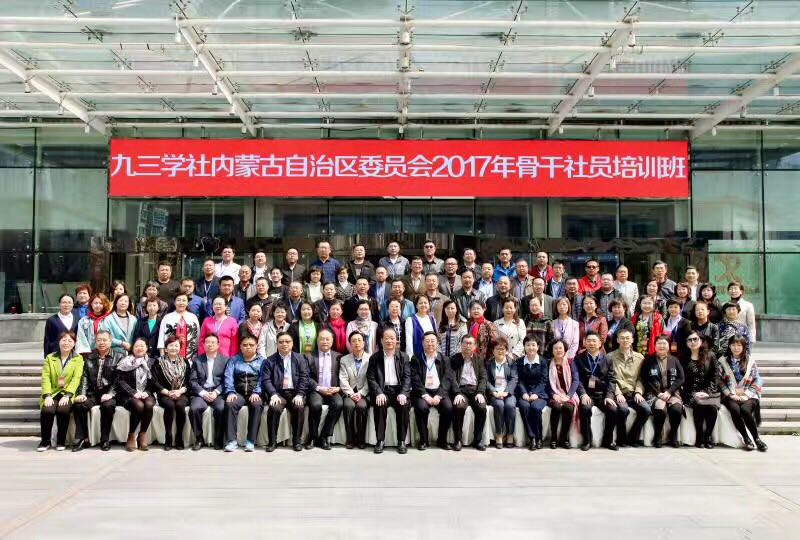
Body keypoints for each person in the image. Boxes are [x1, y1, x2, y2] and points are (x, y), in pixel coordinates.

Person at [72, 330, 120, 451]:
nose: (101, 342)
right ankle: (83, 438)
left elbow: (119, 379)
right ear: (95, 341)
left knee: (108, 406)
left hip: (109, 393)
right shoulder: (88, 357)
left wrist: (111, 394)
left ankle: (105, 439)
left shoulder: (119, 357)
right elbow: (84, 377)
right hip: (92, 393)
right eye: (99, 340)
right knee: (79, 405)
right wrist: (82, 394)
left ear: (110, 342)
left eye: (104, 340)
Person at [718, 335, 767, 452]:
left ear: (744, 346)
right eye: (733, 345)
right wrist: (730, 394)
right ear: (729, 346)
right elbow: (718, 380)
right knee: (735, 410)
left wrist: (747, 395)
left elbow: (757, 379)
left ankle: (757, 439)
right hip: (730, 394)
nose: (736, 348)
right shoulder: (723, 361)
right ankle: (746, 438)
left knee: (745, 410)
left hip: (748, 393)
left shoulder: (750, 361)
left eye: (739, 345)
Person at [37, 331, 84, 452]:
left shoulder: (78, 359)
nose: (66, 343)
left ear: (74, 344)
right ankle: (45, 441)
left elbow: (76, 379)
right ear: (59, 342)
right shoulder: (50, 357)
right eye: (64, 340)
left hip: (67, 393)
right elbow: (45, 377)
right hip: (52, 392)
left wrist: (68, 395)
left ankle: (61, 440)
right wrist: (47, 395)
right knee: (47, 410)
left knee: (63, 410)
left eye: (70, 341)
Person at [263, 332, 309, 452]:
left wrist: (300, 394)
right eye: (281, 342)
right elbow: (266, 380)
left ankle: (297, 441)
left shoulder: (300, 358)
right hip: (278, 393)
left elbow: (304, 378)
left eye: (287, 341)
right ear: (277, 344)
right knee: (274, 407)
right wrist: (273, 394)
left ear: (292, 343)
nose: (284, 344)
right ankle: (272, 442)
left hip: (295, 393)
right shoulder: (270, 360)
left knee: (299, 407)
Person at [367, 328, 411, 454]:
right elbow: (371, 378)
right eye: (386, 338)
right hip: (383, 390)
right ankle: (380, 440)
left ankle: (401, 441)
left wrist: (403, 393)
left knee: (403, 405)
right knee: (380, 404)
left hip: (398, 390)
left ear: (396, 340)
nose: (389, 341)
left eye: (392, 338)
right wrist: (378, 393)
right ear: (381, 340)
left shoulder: (403, 357)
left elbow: (407, 377)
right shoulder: (375, 358)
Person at [574, 331, 620, 451]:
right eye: (588, 341)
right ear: (584, 343)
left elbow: (612, 380)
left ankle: (608, 441)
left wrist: (609, 396)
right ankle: (587, 441)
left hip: (602, 394)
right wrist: (583, 394)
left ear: (600, 343)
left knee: (613, 410)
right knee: (585, 409)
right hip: (587, 394)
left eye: (594, 341)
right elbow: (577, 379)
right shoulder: (578, 359)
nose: (591, 343)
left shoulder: (607, 359)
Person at [411, 332, 454, 450]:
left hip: (439, 391)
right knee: (421, 408)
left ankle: (442, 440)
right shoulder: (416, 358)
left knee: (448, 408)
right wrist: (425, 395)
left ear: (437, 343)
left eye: (432, 341)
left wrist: (439, 395)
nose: (430, 343)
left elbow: (447, 378)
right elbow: (415, 379)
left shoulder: (445, 359)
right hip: (422, 391)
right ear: (422, 343)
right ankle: (423, 440)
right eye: (427, 341)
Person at [222, 336, 265, 452]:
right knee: (230, 404)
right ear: (240, 347)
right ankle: (231, 441)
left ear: (256, 346)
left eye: (251, 345)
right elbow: (228, 377)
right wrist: (230, 392)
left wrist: (257, 392)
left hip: (255, 393)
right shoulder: (234, 360)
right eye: (245, 345)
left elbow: (263, 379)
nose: (248, 347)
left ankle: (251, 441)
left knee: (256, 405)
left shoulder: (262, 361)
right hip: (238, 393)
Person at [641, 335, 685, 448]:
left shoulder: (674, 360)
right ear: (655, 345)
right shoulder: (648, 360)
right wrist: (658, 393)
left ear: (669, 346)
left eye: (664, 343)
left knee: (676, 409)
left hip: (672, 392)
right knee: (660, 409)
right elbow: (645, 379)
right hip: (655, 393)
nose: (661, 346)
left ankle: (673, 434)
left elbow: (681, 378)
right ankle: (658, 435)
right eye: (659, 343)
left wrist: (669, 392)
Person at [608, 328, 650, 447]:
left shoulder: (639, 358)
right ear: (617, 340)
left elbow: (641, 378)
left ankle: (633, 437)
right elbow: (609, 378)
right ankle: (621, 439)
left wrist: (638, 392)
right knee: (623, 410)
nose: (625, 340)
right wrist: (617, 393)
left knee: (646, 410)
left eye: (627, 338)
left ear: (632, 340)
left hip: (633, 393)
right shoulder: (610, 357)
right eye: (622, 338)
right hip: (618, 393)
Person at [113, 337, 155, 452]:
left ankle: (142, 434)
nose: (139, 348)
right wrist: (133, 393)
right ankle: (131, 435)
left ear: (147, 348)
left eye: (142, 346)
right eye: (136, 346)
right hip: (127, 394)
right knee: (139, 405)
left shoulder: (152, 362)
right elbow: (120, 381)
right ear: (132, 348)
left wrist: (146, 392)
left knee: (149, 404)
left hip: (146, 393)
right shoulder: (125, 361)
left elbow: (154, 381)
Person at [448, 335, 488, 451]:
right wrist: (457, 393)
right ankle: (458, 440)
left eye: (470, 343)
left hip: (475, 390)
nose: (468, 346)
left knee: (482, 407)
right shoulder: (454, 359)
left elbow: (483, 377)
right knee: (459, 407)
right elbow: (452, 378)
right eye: (465, 343)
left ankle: (478, 440)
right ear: (461, 345)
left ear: (475, 346)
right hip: (461, 390)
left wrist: (480, 392)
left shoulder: (479, 359)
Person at [305, 329, 342, 450]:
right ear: (317, 341)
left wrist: (338, 388)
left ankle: (324, 436)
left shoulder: (338, 357)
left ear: (332, 341)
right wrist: (319, 388)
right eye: (322, 339)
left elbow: (343, 376)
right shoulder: (309, 356)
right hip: (317, 390)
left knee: (338, 404)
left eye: (327, 339)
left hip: (333, 390)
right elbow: (306, 377)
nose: (325, 341)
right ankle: (312, 437)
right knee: (315, 405)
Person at [189, 333, 227, 450]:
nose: (210, 345)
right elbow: (193, 381)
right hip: (201, 392)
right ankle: (199, 439)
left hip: (217, 393)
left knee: (221, 408)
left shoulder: (225, 360)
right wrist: (203, 393)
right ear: (203, 345)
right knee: (194, 408)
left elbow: (227, 381)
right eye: (207, 342)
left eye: (213, 342)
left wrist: (216, 392)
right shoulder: (197, 360)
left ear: (218, 345)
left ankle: (218, 439)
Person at [152, 335, 190, 450]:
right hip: (164, 393)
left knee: (180, 405)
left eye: (176, 345)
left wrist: (180, 391)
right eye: (171, 345)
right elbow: (154, 381)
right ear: (166, 348)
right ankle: (168, 437)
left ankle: (179, 437)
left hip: (181, 393)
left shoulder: (185, 362)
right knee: (170, 405)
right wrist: (168, 393)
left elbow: (189, 381)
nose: (174, 348)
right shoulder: (158, 362)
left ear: (180, 347)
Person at [683, 331, 719, 449]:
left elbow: (715, 376)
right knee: (699, 405)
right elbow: (681, 379)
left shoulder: (710, 355)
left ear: (701, 341)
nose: (692, 342)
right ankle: (699, 436)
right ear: (686, 343)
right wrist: (694, 393)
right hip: (690, 392)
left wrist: (707, 392)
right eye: (690, 340)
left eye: (695, 339)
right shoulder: (683, 357)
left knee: (712, 407)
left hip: (708, 391)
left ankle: (708, 436)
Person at [516, 335, 548, 451]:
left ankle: (539, 438)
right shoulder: (519, 361)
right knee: (525, 407)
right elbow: (518, 380)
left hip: (540, 393)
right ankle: (532, 438)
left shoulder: (543, 361)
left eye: (533, 345)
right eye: (528, 345)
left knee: (535, 408)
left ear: (538, 347)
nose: (531, 347)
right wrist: (524, 393)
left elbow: (543, 380)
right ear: (524, 347)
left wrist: (535, 393)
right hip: (523, 393)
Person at [339, 331, 371, 449]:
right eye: (353, 341)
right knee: (348, 406)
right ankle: (350, 438)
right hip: (350, 393)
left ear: (364, 343)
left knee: (361, 406)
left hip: (364, 392)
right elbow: (343, 379)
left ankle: (361, 439)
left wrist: (361, 393)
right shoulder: (344, 359)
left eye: (359, 340)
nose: (357, 343)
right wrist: (351, 394)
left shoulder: (370, 358)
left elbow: (371, 379)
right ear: (350, 344)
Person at [486, 337, 518, 449]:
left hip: (508, 392)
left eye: (503, 349)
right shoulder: (489, 363)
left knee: (510, 405)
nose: (500, 351)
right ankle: (499, 434)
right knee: (499, 405)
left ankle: (510, 435)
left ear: (506, 350)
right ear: (493, 351)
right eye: (497, 349)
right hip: (495, 393)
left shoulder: (511, 363)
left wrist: (506, 392)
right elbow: (486, 380)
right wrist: (494, 391)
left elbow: (514, 379)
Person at [547, 339, 579, 449]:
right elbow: (546, 383)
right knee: (556, 407)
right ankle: (553, 438)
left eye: (560, 348)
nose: (558, 350)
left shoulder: (570, 362)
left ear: (565, 350)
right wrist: (553, 395)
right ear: (552, 351)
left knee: (568, 407)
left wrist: (568, 396)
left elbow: (575, 380)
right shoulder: (548, 363)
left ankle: (563, 438)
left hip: (568, 394)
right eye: (555, 348)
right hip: (554, 393)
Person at [157, 292, 200, 361]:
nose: (181, 303)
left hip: (190, 356)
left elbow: (198, 336)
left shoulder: (193, 317)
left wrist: (197, 355)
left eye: (184, 300)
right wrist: (162, 356)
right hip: (170, 356)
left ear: (187, 303)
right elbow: (161, 337)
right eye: (178, 300)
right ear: (174, 302)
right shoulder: (167, 317)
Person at [664, 299, 693, 366]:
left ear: (680, 308)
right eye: (670, 307)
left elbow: (688, 339)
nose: (673, 309)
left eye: (676, 307)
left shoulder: (685, 322)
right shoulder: (664, 321)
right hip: (666, 353)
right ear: (667, 309)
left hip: (681, 355)